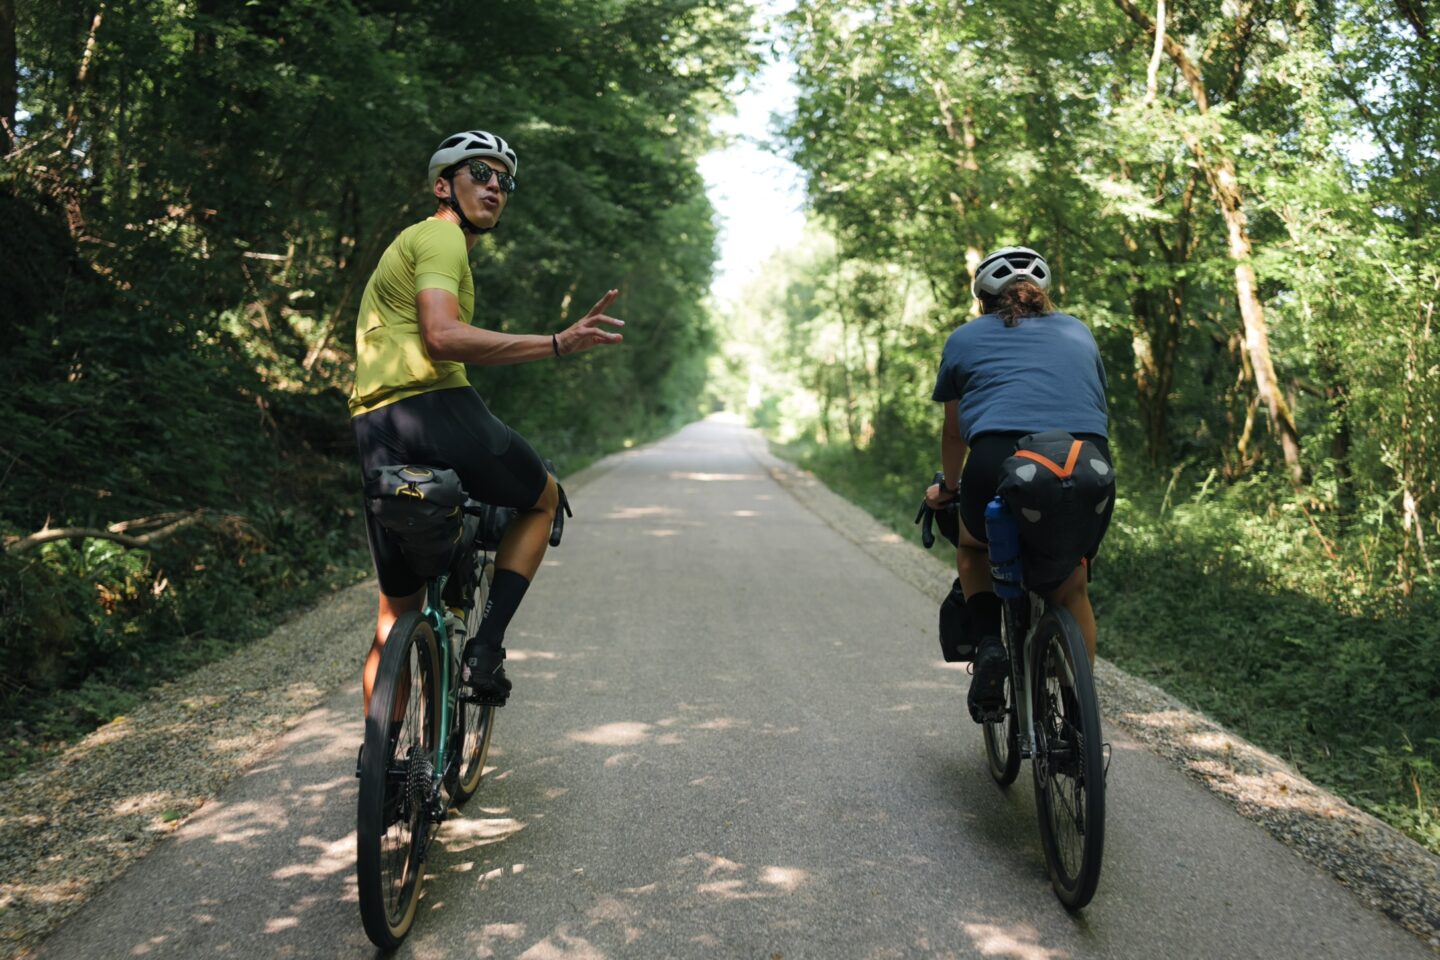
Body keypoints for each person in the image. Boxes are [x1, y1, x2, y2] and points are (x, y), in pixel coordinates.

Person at [348, 129, 624, 711]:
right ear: (443, 185)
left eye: (505, 179)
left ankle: (382, 769)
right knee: (543, 497)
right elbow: (442, 337)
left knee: (392, 615)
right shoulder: (440, 237)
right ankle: (486, 650)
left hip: (374, 425)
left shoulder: (416, 245)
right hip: (435, 408)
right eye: (481, 172)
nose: (496, 185)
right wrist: (556, 342)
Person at [925, 246, 1112, 721]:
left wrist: (948, 488)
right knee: (1072, 585)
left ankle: (989, 645)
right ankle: (1077, 718)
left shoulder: (964, 339)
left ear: (982, 300)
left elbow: (954, 432)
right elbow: (1095, 407)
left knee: (974, 548)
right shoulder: (1078, 332)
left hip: (996, 459)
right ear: (1043, 293)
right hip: (1084, 462)